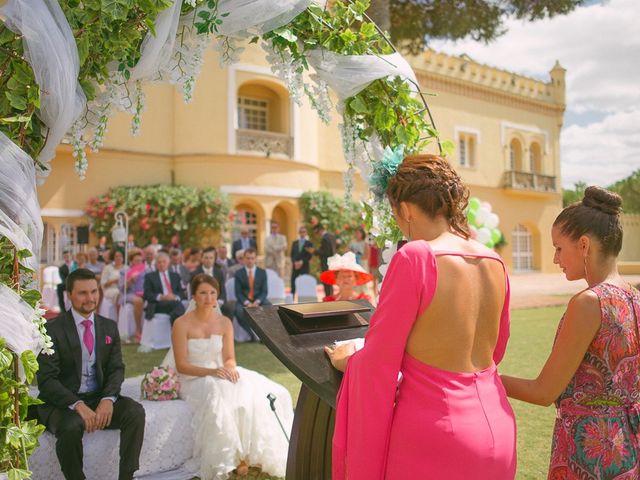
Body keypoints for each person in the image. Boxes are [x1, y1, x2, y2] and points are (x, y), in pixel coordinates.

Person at [325, 154, 516, 479]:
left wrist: (347, 361)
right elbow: (496, 350)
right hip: (498, 426)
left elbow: (378, 361)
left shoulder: (416, 257)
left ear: (407, 209)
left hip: (437, 434)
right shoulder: (493, 259)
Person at [500, 186, 640, 479]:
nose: (555, 258)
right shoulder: (634, 298)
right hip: (628, 447)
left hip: (589, 451)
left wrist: (485, 378)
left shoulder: (589, 303)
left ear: (585, 245)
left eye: (559, 248)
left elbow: (543, 391)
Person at [169, 274, 293, 479]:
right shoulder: (181, 324)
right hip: (193, 377)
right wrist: (212, 372)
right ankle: (230, 458)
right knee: (218, 392)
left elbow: (229, 358)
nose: (208, 298)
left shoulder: (224, 322)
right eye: (203, 293)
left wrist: (230, 368)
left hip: (220, 372)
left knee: (257, 388)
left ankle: (244, 452)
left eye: (212, 293)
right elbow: (182, 366)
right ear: (193, 296)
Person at [36, 269, 145, 480]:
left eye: (94, 291)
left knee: (135, 412)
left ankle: (127, 476)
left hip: (97, 397)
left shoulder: (109, 327)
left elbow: (116, 369)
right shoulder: (51, 329)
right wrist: (77, 405)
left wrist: (107, 399)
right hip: (62, 403)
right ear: (69, 294)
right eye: (83, 293)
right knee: (70, 426)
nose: (90, 298)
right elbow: (46, 380)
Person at [233, 248, 269, 342]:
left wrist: (257, 302)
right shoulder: (238, 273)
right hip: (244, 300)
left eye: (252, 258)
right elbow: (238, 292)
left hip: (259, 300)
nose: (250, 260)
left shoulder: (262, 272)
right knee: (238, 311)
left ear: (255, 259)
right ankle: (251, 335)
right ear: (244, 259)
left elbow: (264, 291)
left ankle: (264, 336)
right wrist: (247, 303)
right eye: (248, 258)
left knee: (269, 308)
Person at [143, 251, 186, 324]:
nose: (162, 264)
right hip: (158, 304)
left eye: (164, 262)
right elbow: (147, 294)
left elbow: (181, 292)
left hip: (174, 301)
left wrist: (175, 296)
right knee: (177, 305)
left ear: (168, 263)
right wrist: (162, 297)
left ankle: (174, 320)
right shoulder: (150, 277)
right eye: (159, 262)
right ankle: (176, 327)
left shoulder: (175, 276)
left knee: (176, 304)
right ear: (156, 264)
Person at [120, 251, 146, 342]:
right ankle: (138, 330)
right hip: (129, 294)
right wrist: (129, 281)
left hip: (144, 293)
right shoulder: (125, 271)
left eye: (141, 261)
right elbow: (121, 289)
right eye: (136, 261)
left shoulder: (146, 270)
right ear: (131, 262)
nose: (139, 263)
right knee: (138, 301)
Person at [314, 223, 337, 297]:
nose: (318, 235)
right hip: (332, 262)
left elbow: (326, 252)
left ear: (320, 230)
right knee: (330, 281)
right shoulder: (332, 236)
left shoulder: (325, 238)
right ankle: (331, 296)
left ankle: (328, 297)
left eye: (317, 232)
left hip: (326, 263)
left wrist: (315, 251)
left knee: (326, 281)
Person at [290, 226, 313, 296]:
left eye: (304, 232)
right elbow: (291, 254)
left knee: (304, 283)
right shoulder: (294, 243)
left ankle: (304, 299)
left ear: (306, 233)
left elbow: (309, 255)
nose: (302, 233)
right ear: (299, 233)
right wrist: (295, 262)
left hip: (304, 266)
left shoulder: (309, 243)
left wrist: (301, 262)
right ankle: (292, 300)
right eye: (301, 232)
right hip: (295, 266)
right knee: (293, 283)